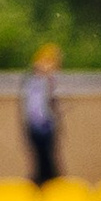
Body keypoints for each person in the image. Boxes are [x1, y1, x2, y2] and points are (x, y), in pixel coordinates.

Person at [20, 45, 62, 185]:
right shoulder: (31, 81)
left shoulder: (51, 81)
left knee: (48, 156)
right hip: (34, 124)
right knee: (37, 155)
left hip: (46, 125)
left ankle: (50, 179)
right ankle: (40, 179)